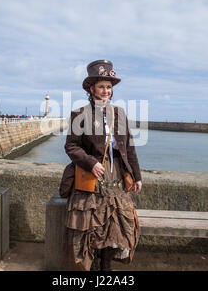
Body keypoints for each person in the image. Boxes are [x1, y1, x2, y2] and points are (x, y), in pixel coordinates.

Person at [64, 59, 142, 271]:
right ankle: (95, 265)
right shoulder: (79, 115)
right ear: (92, 89)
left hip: (116, 174)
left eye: (109, 87)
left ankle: (106, 264)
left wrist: (137, 176)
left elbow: (130, 148)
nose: (106, 90)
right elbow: (71, 146)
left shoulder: (120, 114)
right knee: (92, 225)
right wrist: (90, 163)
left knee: (115, 223)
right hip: (92, 177)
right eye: (101, 86)